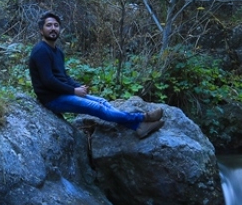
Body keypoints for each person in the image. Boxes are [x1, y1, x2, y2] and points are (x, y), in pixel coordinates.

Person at [28, 11, 164, 138]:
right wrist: (74, 91)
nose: (53, 28)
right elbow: (48, 81)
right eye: (49, 25)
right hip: (52, 99)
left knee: (102, 101)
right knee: (98, 107)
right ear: (41, 30)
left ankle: (138, 127)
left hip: (62, 93)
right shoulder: (41, 51)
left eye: (56, 25)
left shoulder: (58, 52)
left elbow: (63, 77)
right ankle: (142, 118)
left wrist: (78, 86)